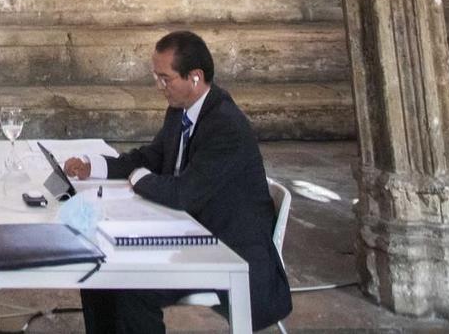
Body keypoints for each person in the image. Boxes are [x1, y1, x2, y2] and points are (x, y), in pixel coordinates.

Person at [62, 31, 292, 333]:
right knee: (99, 271)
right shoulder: (180, 111)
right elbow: (153, 157)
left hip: (226, 249)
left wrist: (138, 178)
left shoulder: (225, 125)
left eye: (165, 78)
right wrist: (96, 166)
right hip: (189, 232)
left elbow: (184, 194)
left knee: (131, 287)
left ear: (195, 77)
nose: (159, 87)